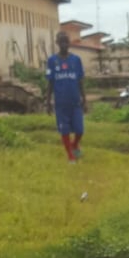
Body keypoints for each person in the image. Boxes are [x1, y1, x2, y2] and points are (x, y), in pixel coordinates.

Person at [45, 30, 86, 163]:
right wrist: (48, 102)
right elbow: (50, 82)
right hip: (61, 104)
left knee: (79, 130)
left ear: (69, 43)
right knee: (65, 131)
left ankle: (74, 144)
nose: (64, 44)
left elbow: (80, 81)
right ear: (57, 43)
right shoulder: (52, 61)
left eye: (66, 41)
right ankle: (70, 156)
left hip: (75, 102)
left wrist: (84, 99)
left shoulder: (76, 60)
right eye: (61, 41)